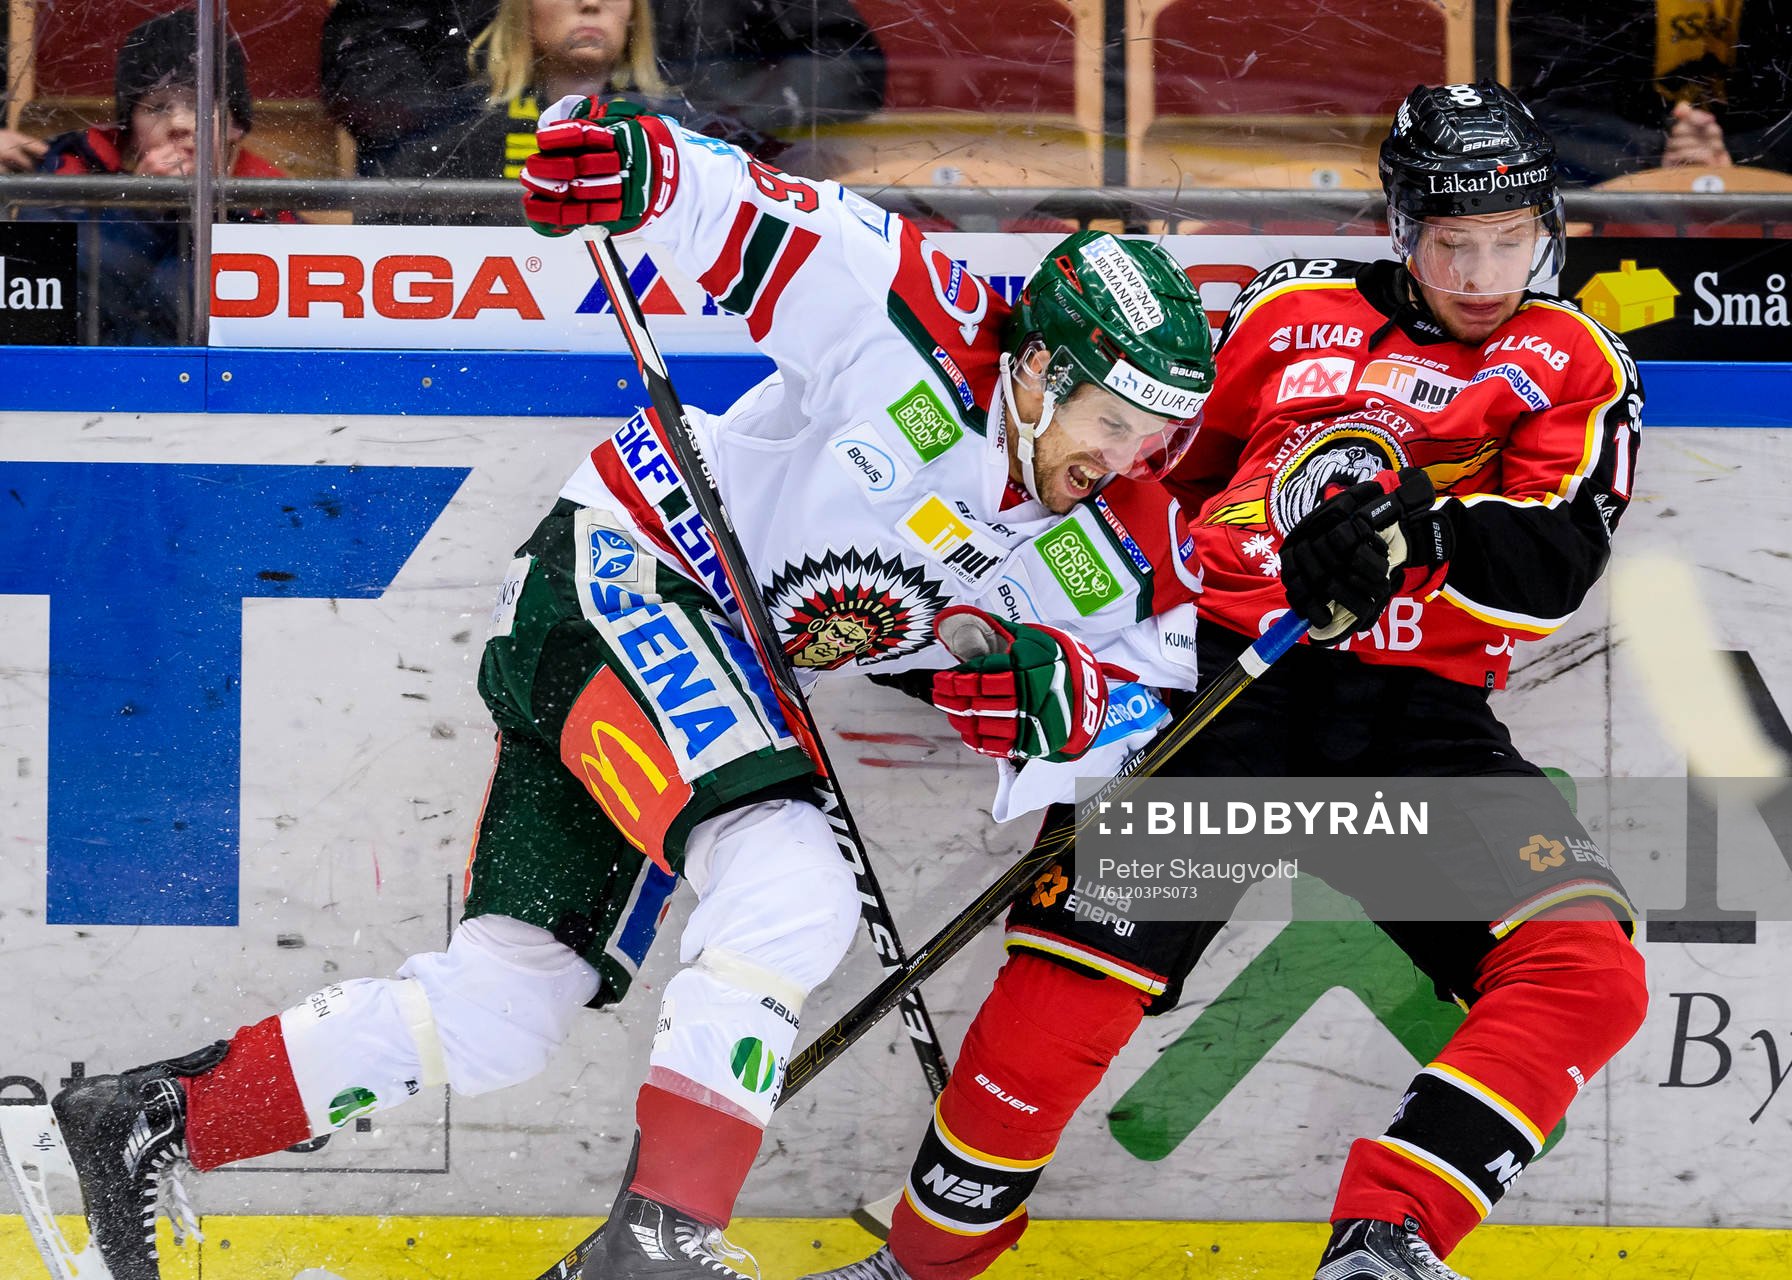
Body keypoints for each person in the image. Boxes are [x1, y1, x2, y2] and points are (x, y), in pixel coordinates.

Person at [30, 99, 1218, 1280]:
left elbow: (1149, 697)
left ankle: (150, 1115)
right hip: (626, 571)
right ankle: (658, 1239)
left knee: (504, 1007)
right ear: (1037, 369)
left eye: (1156, 436)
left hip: (710, 667)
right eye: (1111, 422)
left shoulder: (1118, 538)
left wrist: (1067, 699)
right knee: (792, 877)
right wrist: (640, 161)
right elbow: (765, 218)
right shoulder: (920, 321)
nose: (1125, 458)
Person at [804, 81, 1649, 1280]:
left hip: (1417, 723)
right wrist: (1018, 609)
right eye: (1451, 242)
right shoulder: (1287, 309)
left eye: (1509, 240)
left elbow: (1557, 561)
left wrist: (1420, 533)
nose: (1480, 273)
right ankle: (924, 1261)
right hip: (1222, 690)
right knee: (1078, 967)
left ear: (1546, 228)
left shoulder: (1573, 358)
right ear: (1400, 228)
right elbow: (1150, 477)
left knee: (1583, 966)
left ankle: (1386, 1238)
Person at [320, 0, 883, 178]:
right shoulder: (462, 134)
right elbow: (368, 80)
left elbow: (845, 65)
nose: (590, 5)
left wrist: (709, 122)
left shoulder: (691, 131)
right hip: (477, 270)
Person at [367, 0, 779, 223]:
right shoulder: (455, 143)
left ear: (634, 12)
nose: (590, 4)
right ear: (523, 10)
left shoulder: (694, 136)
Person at [31, 9, 294, 345]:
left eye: (199, 106)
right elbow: (50, 314)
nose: (178, 125)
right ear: (130, 129)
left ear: (235, 126)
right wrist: (137, 210)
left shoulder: (272, 209)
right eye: (156, 108)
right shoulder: (71, 178)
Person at [1508, 0, 1792, 182]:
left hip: (1758, 170)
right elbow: (1552, 112)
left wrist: (1729, 158)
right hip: (1616, 176)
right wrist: (1660, 157)